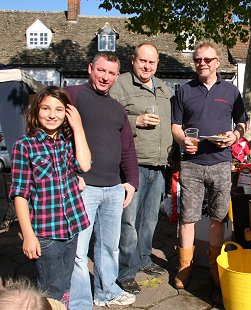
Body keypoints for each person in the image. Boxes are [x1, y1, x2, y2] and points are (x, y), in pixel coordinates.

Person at [65, 52, 139, 309]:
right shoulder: (72, 96)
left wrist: (131, 181)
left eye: (111, 73)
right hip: (83, 189)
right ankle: (80, 302)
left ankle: (107, 292)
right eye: (101, 70)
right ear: (90, 69)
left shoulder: (118, 108)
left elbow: (127, 148)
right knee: (78, 251)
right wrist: (69, 174)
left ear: (117, 77)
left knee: (109, 248)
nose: (105, 77)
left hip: (114, 188)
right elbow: (55, 135)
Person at [171, 41, 247, 289]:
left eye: (207, 59)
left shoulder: (231, 92)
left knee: (218, 217)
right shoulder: (184, 91)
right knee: (188, 217)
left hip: (221, 163)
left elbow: (242, 123)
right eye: (197, 60)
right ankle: (185, 267)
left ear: (217, 63)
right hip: (192, 164)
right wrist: (184, 141)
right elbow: (175, 126)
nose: (201, 63)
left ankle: (214, 265)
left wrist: (235, 137)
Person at [8, 86, 91, 307]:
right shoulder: (25, 146)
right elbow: (20, 194)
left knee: (65, 284)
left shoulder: (66, 143)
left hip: (71, 227)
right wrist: (28, 234)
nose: (52, 115)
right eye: (46, 108)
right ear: (36, 111)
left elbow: (84, 165)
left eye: (59, 109)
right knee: (51, 287)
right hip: (46, 233)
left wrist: (78, 127)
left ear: (67, 113)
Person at [109, 42, 173, 294]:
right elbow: (110, 119)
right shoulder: (120, 85)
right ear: (133, 60)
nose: (147, 66)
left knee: (150, 220)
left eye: (152, 62)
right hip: (132, 165)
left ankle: (144, 259)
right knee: (129, 222)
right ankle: (126, 271)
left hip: (159, 165)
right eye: (142, 61)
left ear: (156, 64)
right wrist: (137, 120)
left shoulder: (164, 89)